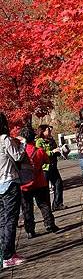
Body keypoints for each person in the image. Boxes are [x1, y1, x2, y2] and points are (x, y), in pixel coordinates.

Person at [19, 126, 60, 237]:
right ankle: (49, 224)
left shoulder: (20, 152)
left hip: (25, 184)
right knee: (44, 204)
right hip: (39, 182)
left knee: (27, 207)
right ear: (34, 137)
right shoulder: (39, 151)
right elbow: (46, 160)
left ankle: (30, 230)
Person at [0, 112, 26, 268]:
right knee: (11, 219)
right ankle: (9, 255)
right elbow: (17, 157)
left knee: (2, 220)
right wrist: (22, 144)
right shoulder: (5, 140)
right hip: (9, 182)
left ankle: (4, 253)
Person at [36, 124, 66, 211]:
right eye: (47, 130)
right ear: (43, 131)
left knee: (58, 184)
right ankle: (46, 207)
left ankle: (57, 204)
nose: (49, 132)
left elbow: (56, 149)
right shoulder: (39, 141)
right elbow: (41, 154)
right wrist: (52, 152)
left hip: (53, 165)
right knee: (45, 189)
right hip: (45, 168)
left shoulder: (51, 140)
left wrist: (60, 151)